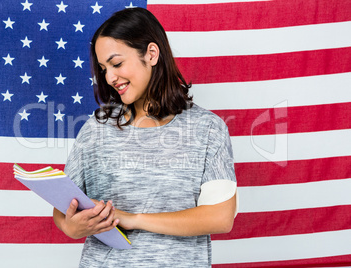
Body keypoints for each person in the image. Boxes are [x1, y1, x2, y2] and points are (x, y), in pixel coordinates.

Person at [53, 7, 238, 267]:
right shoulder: (95, 129)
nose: (110, 77)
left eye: (116, 64)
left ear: (151, 54)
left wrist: (134, 219)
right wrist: (71, 228)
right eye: (104, 68)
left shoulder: (208, 128)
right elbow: (64, 207)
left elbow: (220, 217)